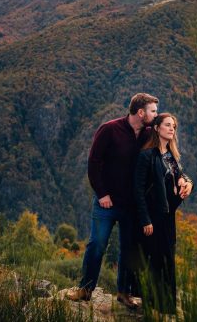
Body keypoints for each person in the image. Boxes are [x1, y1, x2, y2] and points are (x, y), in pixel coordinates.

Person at [66, 93, 159, 309]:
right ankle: (85, 289)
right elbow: (93, 162)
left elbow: (167, 157)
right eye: (153, 111)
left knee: (127, 249)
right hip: (106, 204)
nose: (155, 116)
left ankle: (124, 294)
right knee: (97, 244)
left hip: (132, 206)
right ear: (140, 112)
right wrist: (102, 194)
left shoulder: (148, 134)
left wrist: (184, 179)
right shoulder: (109, 129)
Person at [133, 113, 194, 314]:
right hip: (152, 217)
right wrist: (145, 219)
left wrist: (187, 182)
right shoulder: (146, 156)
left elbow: (180, 174)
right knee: (153, 260)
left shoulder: (171, 156)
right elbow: (138, 190)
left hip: (168, 216)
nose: (172, 129)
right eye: (168, 125)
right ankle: (150, 307)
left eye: (174, 126)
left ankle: (166, 309)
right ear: (157, 128)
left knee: (167, 260)